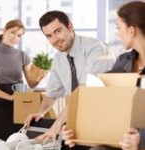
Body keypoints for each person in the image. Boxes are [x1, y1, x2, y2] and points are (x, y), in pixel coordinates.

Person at [24, 10, 115, 149]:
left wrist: (58, 124)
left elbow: (86, 94)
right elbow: (52, 93)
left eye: (58, 31)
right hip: (76, 123)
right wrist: (40, 112)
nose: (55, 39)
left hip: (102, 122)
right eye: (49, 36)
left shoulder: (96, 49)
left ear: (70, 26)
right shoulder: (59, 58)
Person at [62, 1, 145, 150]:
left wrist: (142, 140)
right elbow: (101, 101)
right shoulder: (122, 62)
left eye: (119, 28)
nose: (117, 33)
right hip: (118, 141)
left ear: (131, 31)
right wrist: (77, 130)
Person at [0, 19, 45, 140]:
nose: (15, 37)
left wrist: (40, 77)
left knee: (20, 138)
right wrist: (11, 97)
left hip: (20, 102)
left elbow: (31, 84)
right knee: (0, 139)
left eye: (19, 35)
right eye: (12, 32)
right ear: (4, 31)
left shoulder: (22, 55)